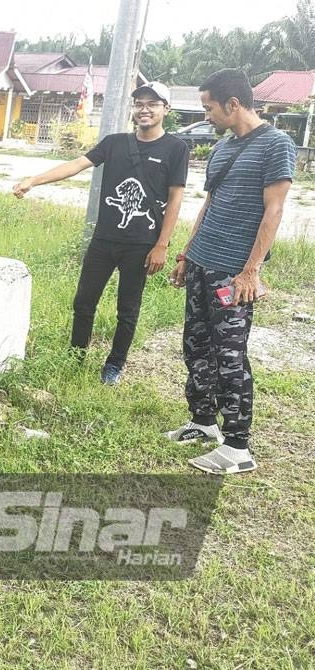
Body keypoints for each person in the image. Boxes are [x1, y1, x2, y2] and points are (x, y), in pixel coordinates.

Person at [12, 82, 190, 384]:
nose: (144, 109)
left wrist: (162, 245)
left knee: (127, 308)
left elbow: (175, 198)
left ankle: (115, 364)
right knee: (84, 301)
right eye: (139, 104)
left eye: (153, 104)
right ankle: (76, 355)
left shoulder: (176, 148)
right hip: (104, 240)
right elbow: (77, 165)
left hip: (142, 243)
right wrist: (34, 180)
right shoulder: (114, 142)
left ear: (166, 110)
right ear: (133, 109)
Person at [166, 69, 296, 474]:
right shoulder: (223, 147)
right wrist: (187, 254)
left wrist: (250, 272)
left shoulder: (277, 145)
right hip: (203, 261)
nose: (207, 116)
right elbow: (209, 207)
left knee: (230, 356)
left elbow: (273, 211)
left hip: (233, 271)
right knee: (196, 345)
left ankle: (238, 446)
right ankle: (203, 422)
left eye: (209, 108)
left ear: (233, 104)